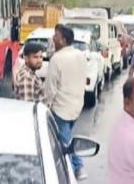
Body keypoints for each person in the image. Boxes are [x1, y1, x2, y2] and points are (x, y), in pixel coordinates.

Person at [43, 24, 88, 180]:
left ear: (62, 40)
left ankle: (77, 168)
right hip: (76, 106)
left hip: (61, 108)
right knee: (65, 138)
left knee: (64, 143)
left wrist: (46, 107)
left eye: (55, 36)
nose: (53, 39)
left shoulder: (57, 59)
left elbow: (50, 88)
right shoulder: (80, 55)